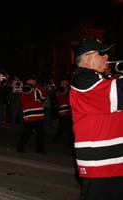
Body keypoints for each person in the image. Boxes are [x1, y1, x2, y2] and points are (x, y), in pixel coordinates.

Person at [70, 38, 123, 200]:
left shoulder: (100, 78)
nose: (106, 57)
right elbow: (118, 95)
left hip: (112, 161)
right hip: (101, 163)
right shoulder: (83, 79)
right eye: (101, 53)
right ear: (86, 57)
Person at [16, 73, 48, 155]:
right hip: (29, 115)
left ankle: (40, 149)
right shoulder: (26, 88)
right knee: (27, 132)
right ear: (27, 81)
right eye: (31, 80)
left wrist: (36, 89)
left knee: (40, 133)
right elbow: (31, 93)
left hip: (39, 114)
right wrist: (34, 89)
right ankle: (20, 147)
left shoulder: (38, 88)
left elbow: (43, 97)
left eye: (34, 80)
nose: (33, 81)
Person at [52, 76, 74, 145]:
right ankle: (70, 142)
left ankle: (55, 139)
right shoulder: (61, 89)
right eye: (63, 82)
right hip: (64, 111)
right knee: (68, 128)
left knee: (63, 127)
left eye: (66, 82)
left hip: (67, 111)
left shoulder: (67, 89)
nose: (65, 83)